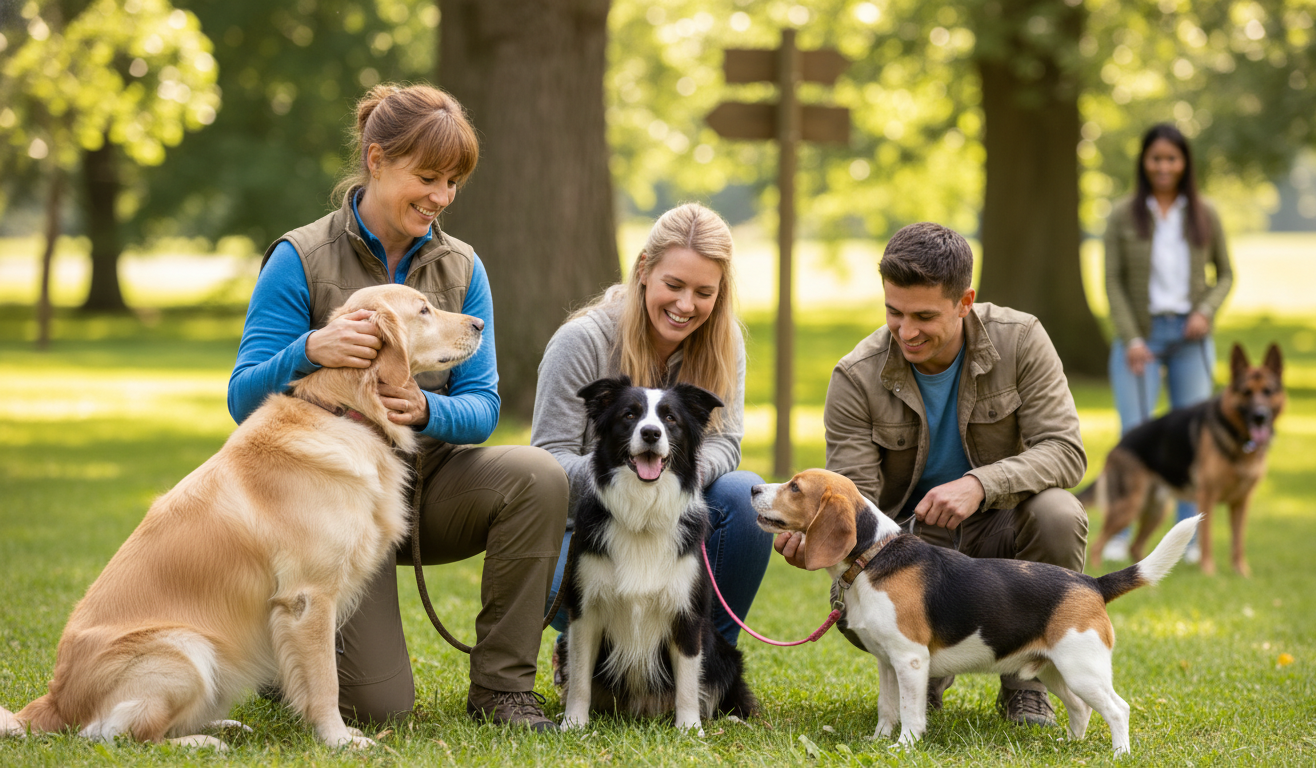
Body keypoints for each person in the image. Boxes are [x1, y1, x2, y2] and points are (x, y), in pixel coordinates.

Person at [228, 83, 566, 731]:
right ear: (377, 160)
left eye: (453, 182)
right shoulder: (300, 258)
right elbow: (243, 399)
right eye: (428, 177)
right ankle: (284, 649)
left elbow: (483, 406)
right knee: (378, 707)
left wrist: (425, 409)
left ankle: (503, 690)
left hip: (424, 485)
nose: (441, 197)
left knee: (538, 477)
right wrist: (309, 349)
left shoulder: (462, 268)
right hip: (329, 504)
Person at [773, 222, 1088, 727]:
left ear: (965, 302)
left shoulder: (1021, 339)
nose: (906, 332)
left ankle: (1025, 686)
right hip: (910, 547)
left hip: (1002, 528)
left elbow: (1065, 450)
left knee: (1059, 514)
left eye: (924, 316)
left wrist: (981, 484)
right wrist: (813, 534)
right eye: (894, 313)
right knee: (868, 601)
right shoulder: (856, 376)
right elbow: (855, 498)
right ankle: (922, 671)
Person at [531, 203, 773, 650]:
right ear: (644, 269)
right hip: (589, 526)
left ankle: (706, 660)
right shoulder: (581, 341)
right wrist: (625, 484)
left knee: (744, 494)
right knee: (553, 579)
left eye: (704, 292)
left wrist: (675, 480)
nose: (686, 305)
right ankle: (589, 652)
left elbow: (725, 440)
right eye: (674, 285)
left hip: (675, 520)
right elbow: (547, 461)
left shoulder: (725, 342)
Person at [1100, 123, 1233, 563]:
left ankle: (1188, 540)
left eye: (1171, 158)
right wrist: (1132, 338)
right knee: (1134, 433)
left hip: (1190, 337)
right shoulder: (1123, 215)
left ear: (1184, 163)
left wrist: (1205, 311)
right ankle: (1120, 534)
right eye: (1156, 158)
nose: (1163, 166)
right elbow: (1113, 282)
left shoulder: (1205, 213)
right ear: (1144, 161)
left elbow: (1225, 274)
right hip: (1140, 337)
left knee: (1193, 441)